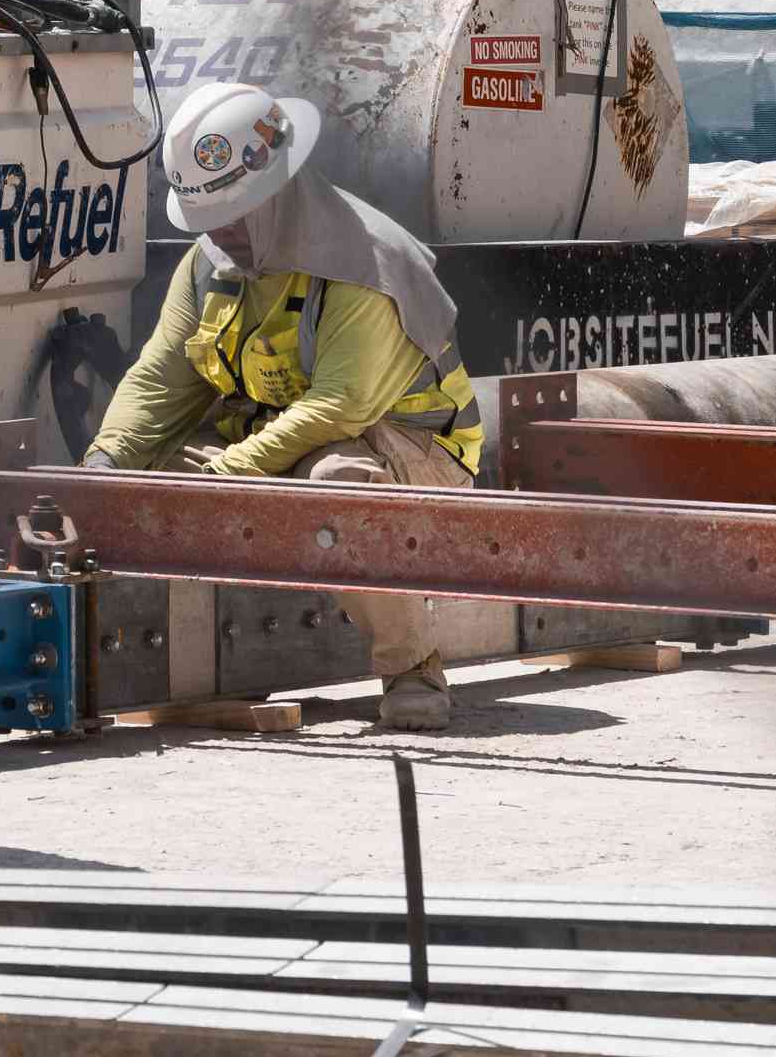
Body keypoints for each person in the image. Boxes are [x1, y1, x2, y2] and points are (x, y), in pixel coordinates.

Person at [88, 79, 486, 734]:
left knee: (336, 483)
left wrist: (221, 478)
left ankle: (412, 669)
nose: (221, 234)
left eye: (235, 213)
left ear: (278, 190)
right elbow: (160, 381)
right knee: (145, 468)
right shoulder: (209, 263)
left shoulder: (365, 261)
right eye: (208, 217)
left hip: (410, 450)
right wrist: (103, 468)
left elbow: (338, 409)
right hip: (284, 434)